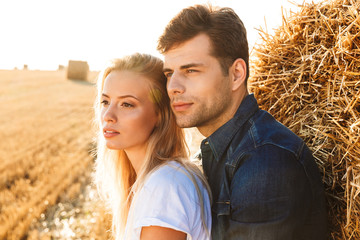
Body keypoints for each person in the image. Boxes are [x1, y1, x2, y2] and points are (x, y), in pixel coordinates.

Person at [157, 4, 328, 240]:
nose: (173, 87)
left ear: (237, 74)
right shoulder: (214, 153)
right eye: (169, 74)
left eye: (191, 71)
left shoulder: (265, 161)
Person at [93, 53, 212, 240]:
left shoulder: (165, 186)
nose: (108, 115)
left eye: (127, 104)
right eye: (105, 101)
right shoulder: (159, 179)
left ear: (160, 114)